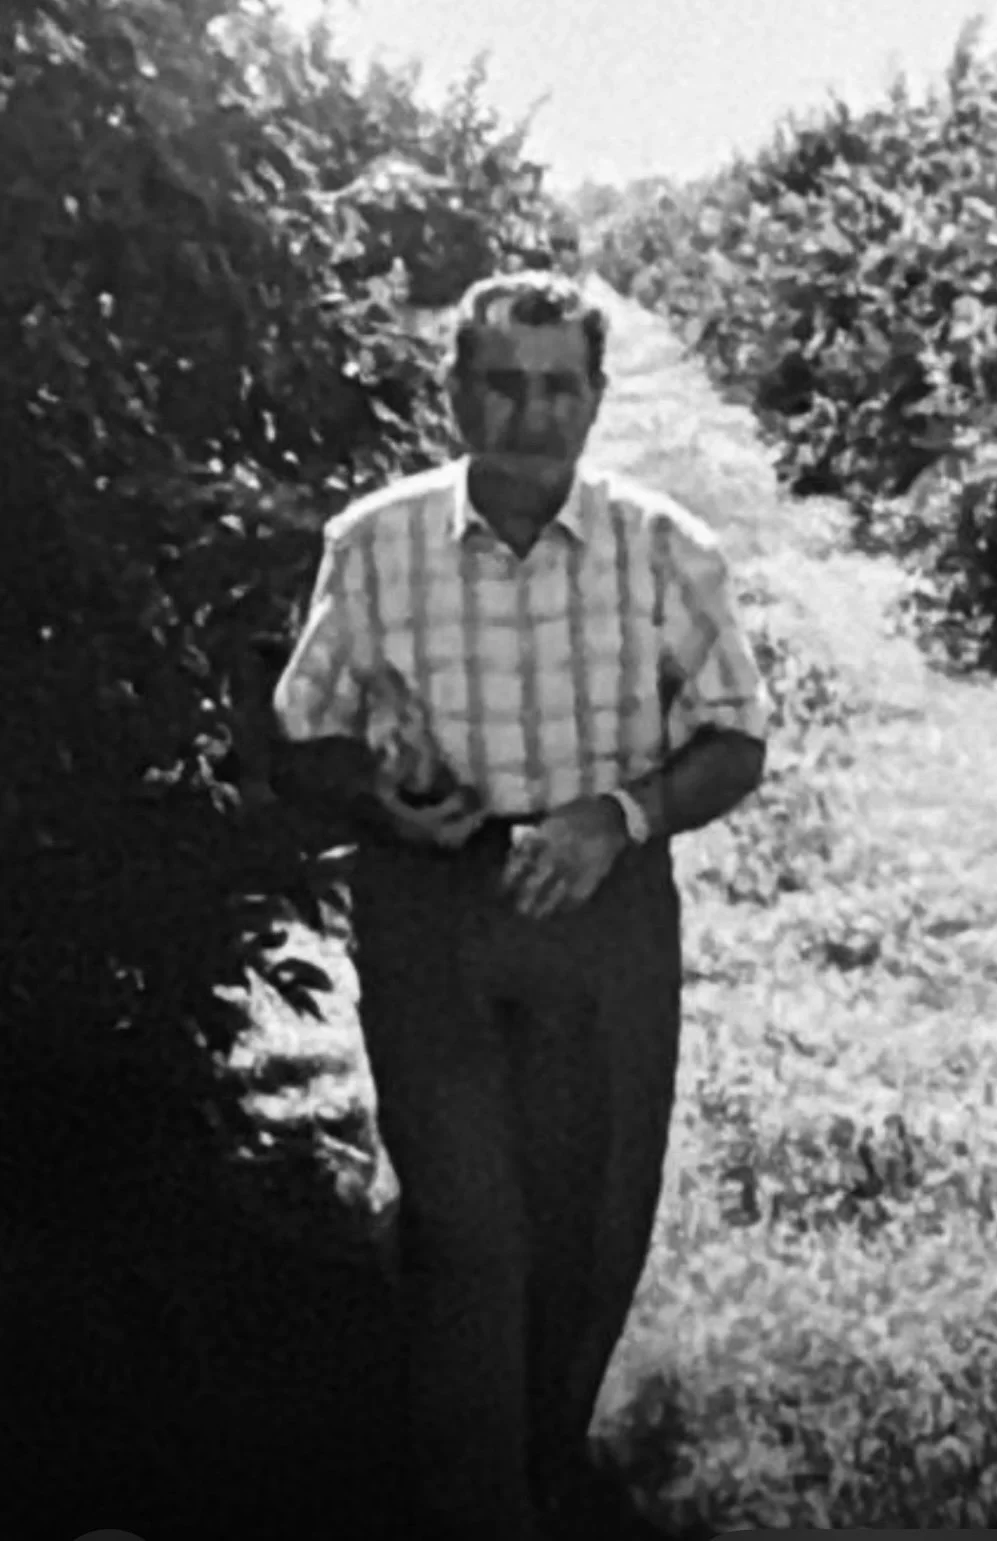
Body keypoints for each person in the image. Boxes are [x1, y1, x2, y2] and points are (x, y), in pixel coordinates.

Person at [272, 270, 769, 1541]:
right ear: (454, 392)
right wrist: (382, 802)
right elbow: (299, 735)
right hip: (432, 898)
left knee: (592, 1214)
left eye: (558, 385)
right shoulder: (375, 544)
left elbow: (734, 736)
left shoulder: (664, 549)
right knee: (469, 1216)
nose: (530, 411)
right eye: (502, 380)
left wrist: (618, 817)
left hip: (602, 898)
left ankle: (543, 1442)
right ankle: (471, 1493)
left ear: (596, 400)